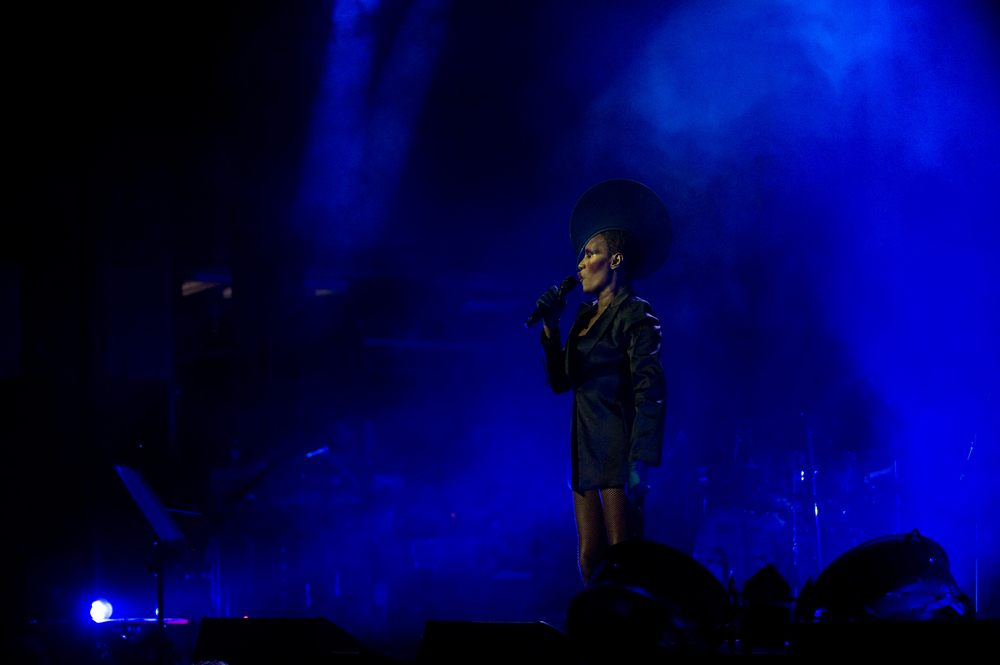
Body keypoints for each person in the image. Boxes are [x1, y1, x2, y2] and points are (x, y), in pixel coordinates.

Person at [537, 179, 671, 586]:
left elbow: (651, 390)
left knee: (622, 557)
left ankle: (631, 640)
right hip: (584, 448)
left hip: (617, 446)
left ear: (614, 260)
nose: (580, 263)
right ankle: (599, 637)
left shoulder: (635, 314)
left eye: (590, 253)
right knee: (589, 555)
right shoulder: (582, 317)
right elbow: (561, 382)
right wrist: (551, 325)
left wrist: (639, 463)